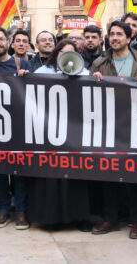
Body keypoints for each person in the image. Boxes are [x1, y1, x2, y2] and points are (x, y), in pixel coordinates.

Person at [90, 20, 137, 240]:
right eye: (112, 34)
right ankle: (111, 218)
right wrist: (92, 81)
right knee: (108, 174)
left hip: (136, 125)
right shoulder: (99, 64)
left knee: (135, 175)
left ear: (129, 38)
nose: (115, 38)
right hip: (108, 125)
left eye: (119, 34)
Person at [28, 40, 91, 228]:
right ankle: (51, 218)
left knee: (75, 177)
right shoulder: (42, 72)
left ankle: (79, 217)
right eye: (63, 52)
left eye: (72, 53)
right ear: (56, 54)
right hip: (49, 135)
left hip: (74, 135)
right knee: (51, 178)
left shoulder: (84, 73)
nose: (66, 56)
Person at [0, 27, 31, 230]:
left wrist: (26, 76)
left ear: (8, 42)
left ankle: (21, 210)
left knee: (20, 171)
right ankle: (3, 209)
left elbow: (33, 91)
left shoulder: (22, 63)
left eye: (1, 39)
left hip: (19, 124)